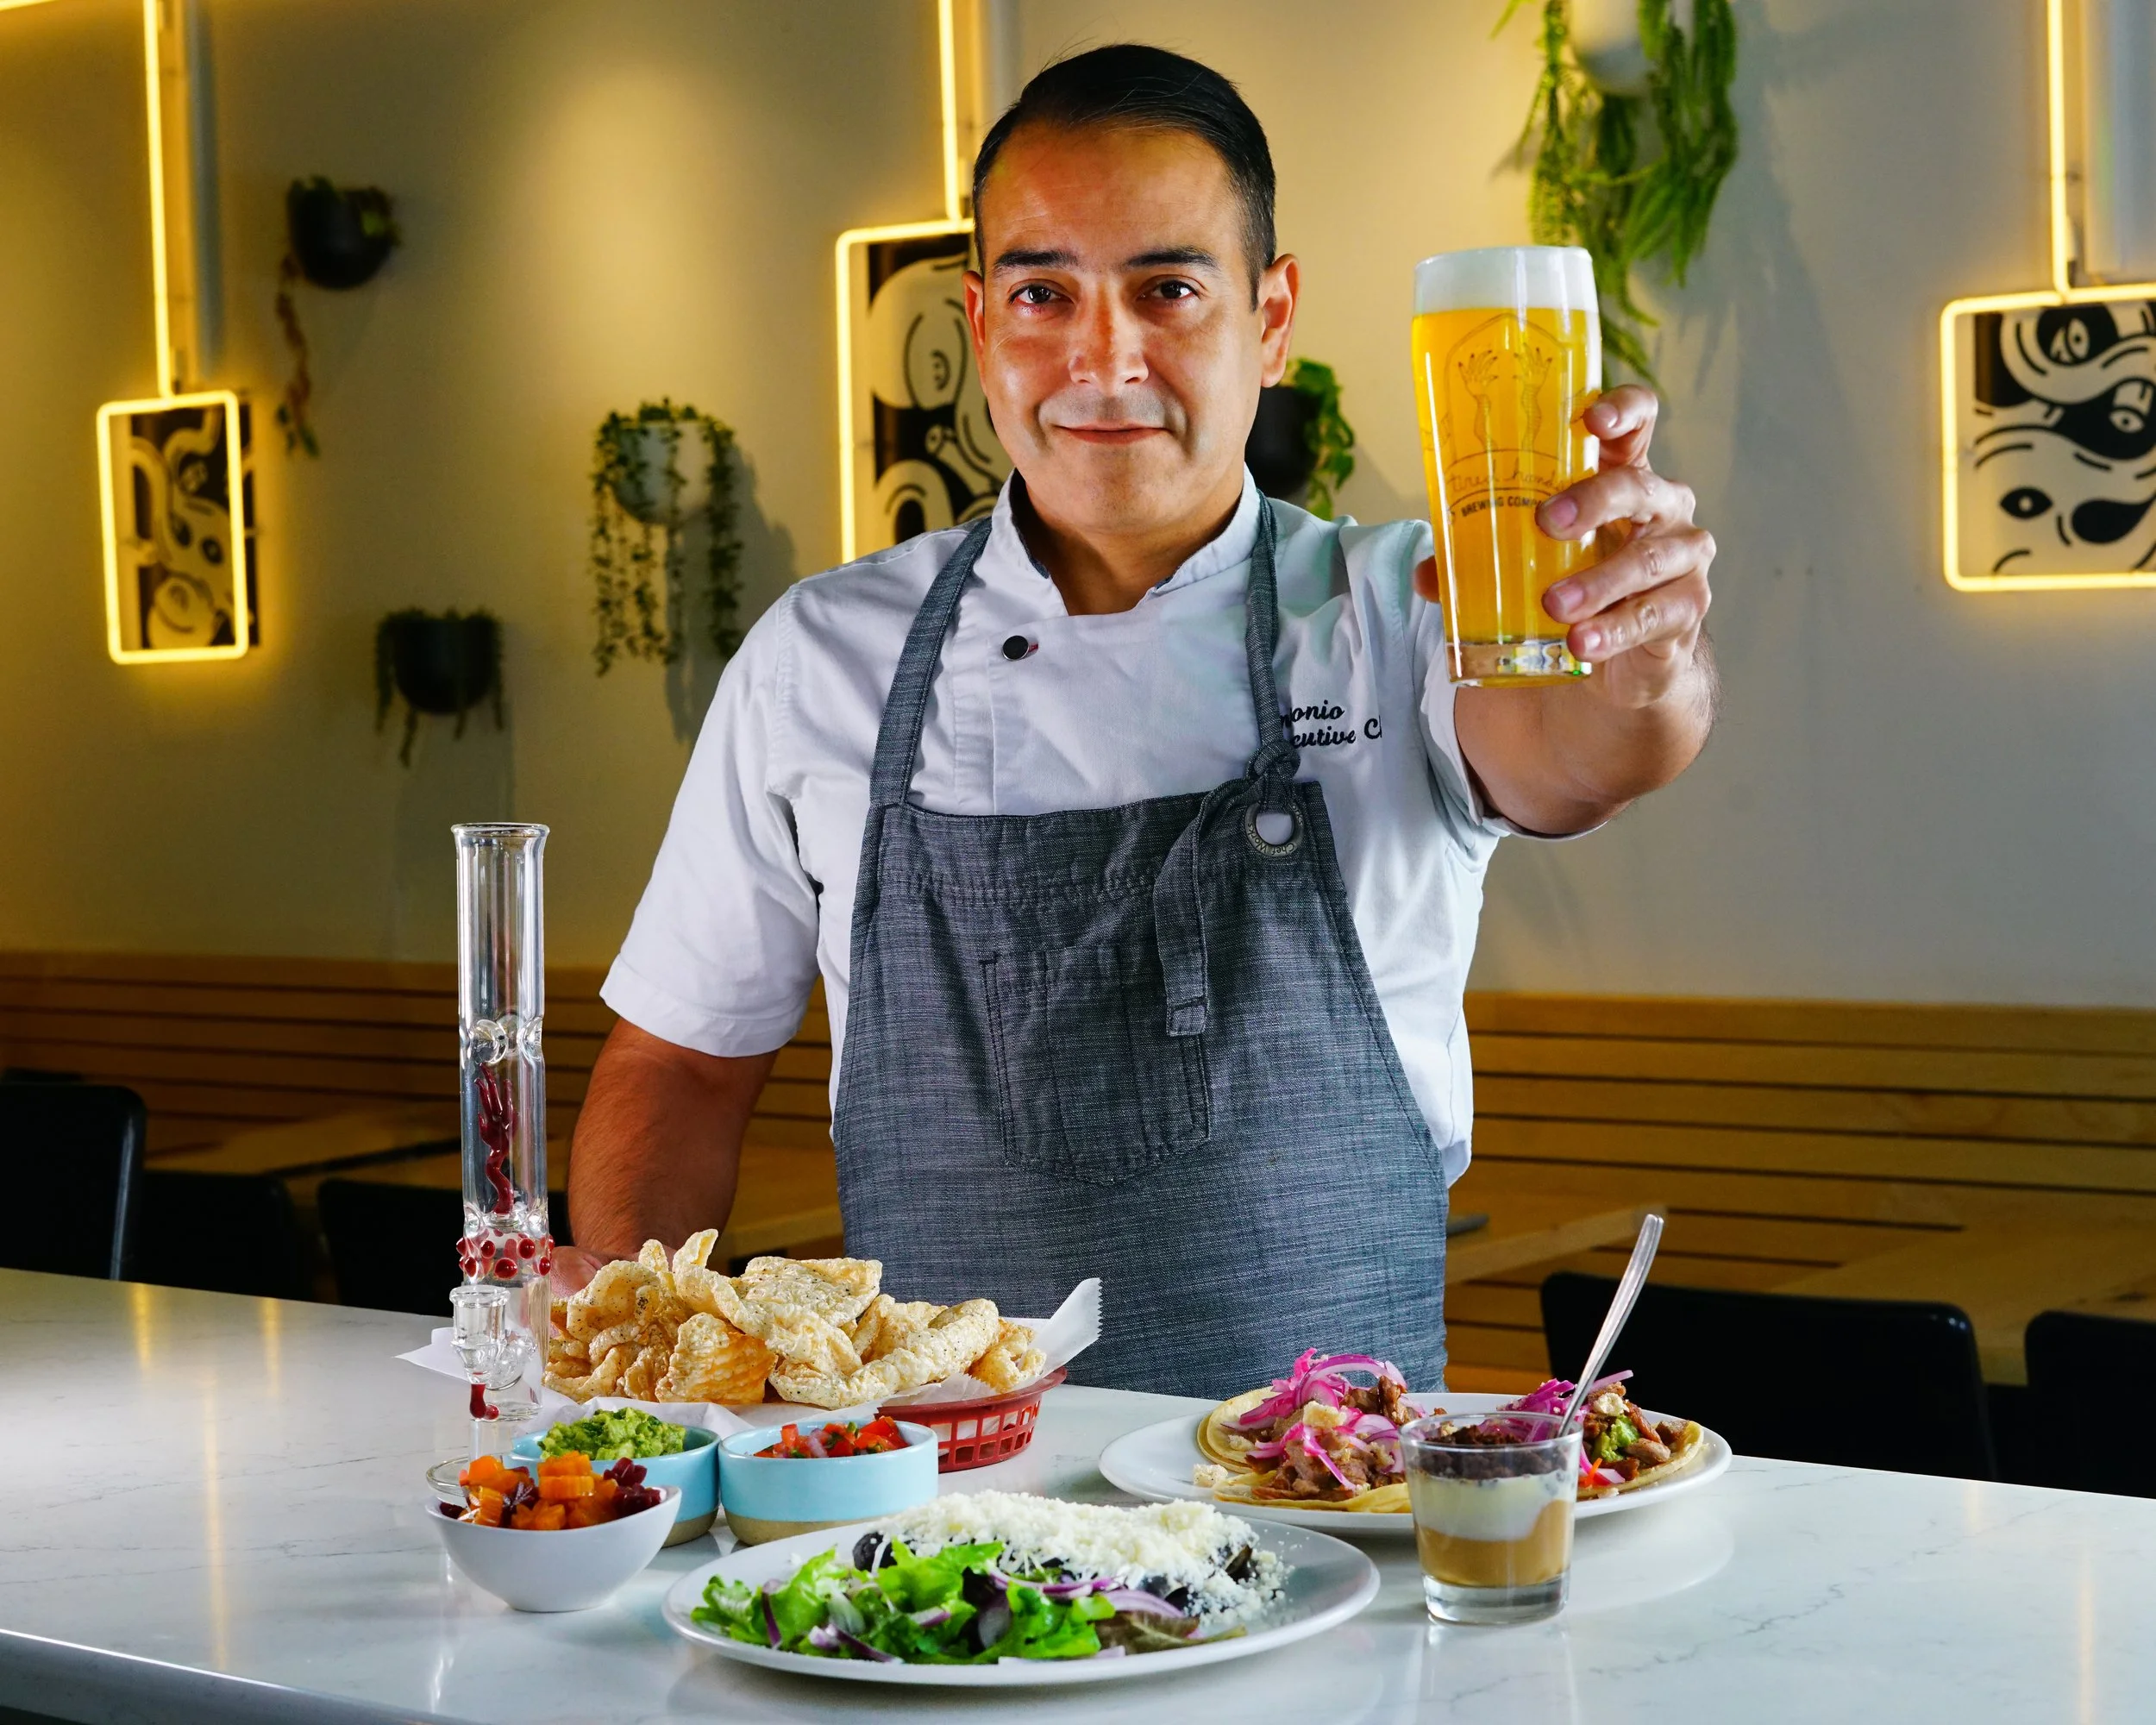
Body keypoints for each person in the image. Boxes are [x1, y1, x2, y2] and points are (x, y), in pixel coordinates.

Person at [558, 44, 1716, 1396]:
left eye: (1168, 288)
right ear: (982, 326)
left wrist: (1643, 662)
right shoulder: (819, 658)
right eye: (1044, 293)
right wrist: (640, 1357)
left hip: (1335, 1517)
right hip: (932, 1543)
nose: (1102, 358)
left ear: (1273, 319)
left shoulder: (1402, 608)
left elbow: (1588, 760)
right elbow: (682, 1069)